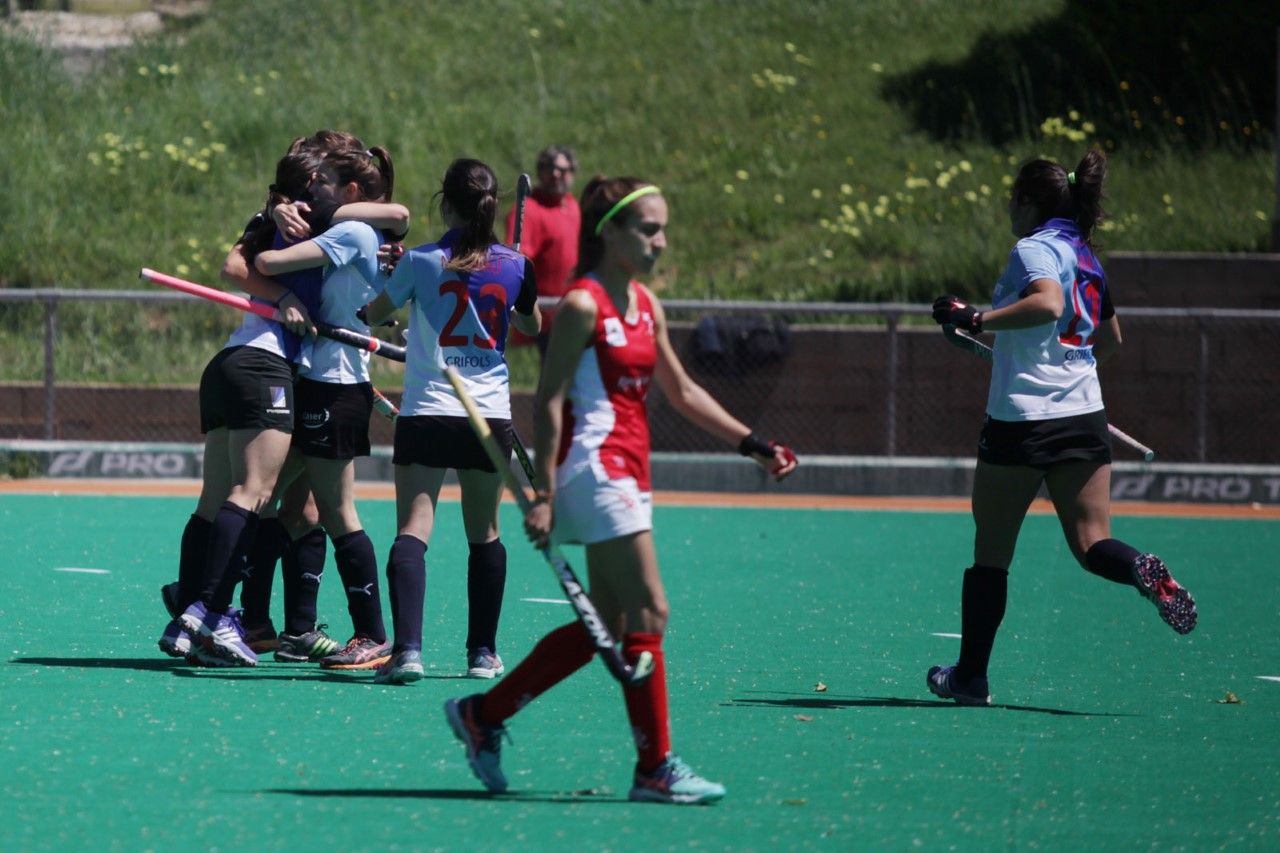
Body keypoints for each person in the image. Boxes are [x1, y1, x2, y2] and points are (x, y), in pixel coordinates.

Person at [443, 176, 798, 805]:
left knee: (606, 623)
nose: (661, 241)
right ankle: (655, 767)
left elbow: (682, 391)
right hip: (593, 469)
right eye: (649, 229)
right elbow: (548, 401)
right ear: (611, 232)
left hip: (631, 472)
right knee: (650, 611)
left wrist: (753, 443)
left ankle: (483, 715)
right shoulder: (581, 305)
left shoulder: (645, 304)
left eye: (663, 229)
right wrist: (544, 493)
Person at [925, 149, 1197, 707]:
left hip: (1020, 424)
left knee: (991, 555)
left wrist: (976, 317)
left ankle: (970, 679)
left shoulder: (1033, 250)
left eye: (1011, 200)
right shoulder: (1087, 258)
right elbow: (1111, 339)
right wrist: (1060, 366)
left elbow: (1048, 306)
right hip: (1084, 419)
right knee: (1092, 543)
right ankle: (1142, 570)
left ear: (1026, 203)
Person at [360, 158, 541, 683]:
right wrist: (521, 283)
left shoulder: (420, 260)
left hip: (428, 412)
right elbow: (531, 323)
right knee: (484, 534)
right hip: (488, 416)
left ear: (447, 203)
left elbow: (374, 314)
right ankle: (482, 654)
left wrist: (394, 282)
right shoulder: (515, 265)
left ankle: (408, 652)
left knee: (413, 531)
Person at [253, 146, 409, 671]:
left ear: (351, 193)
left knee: (338, 513)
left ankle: (372, 635)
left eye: (324, 184)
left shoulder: (350, 231)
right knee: (280, 502)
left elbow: (267, 262)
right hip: (321, 379)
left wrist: (281, 223)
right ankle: (224, 596)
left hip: (334, 386)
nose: (313, 192)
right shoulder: (360, 232)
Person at [503, 145, 580, 353]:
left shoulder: (572, 206)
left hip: (573, 312)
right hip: (544, 316)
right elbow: (517, 260)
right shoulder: (530, 210)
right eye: (549, 168)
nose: (555, 174)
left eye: (562, 170)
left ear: (572, 172)